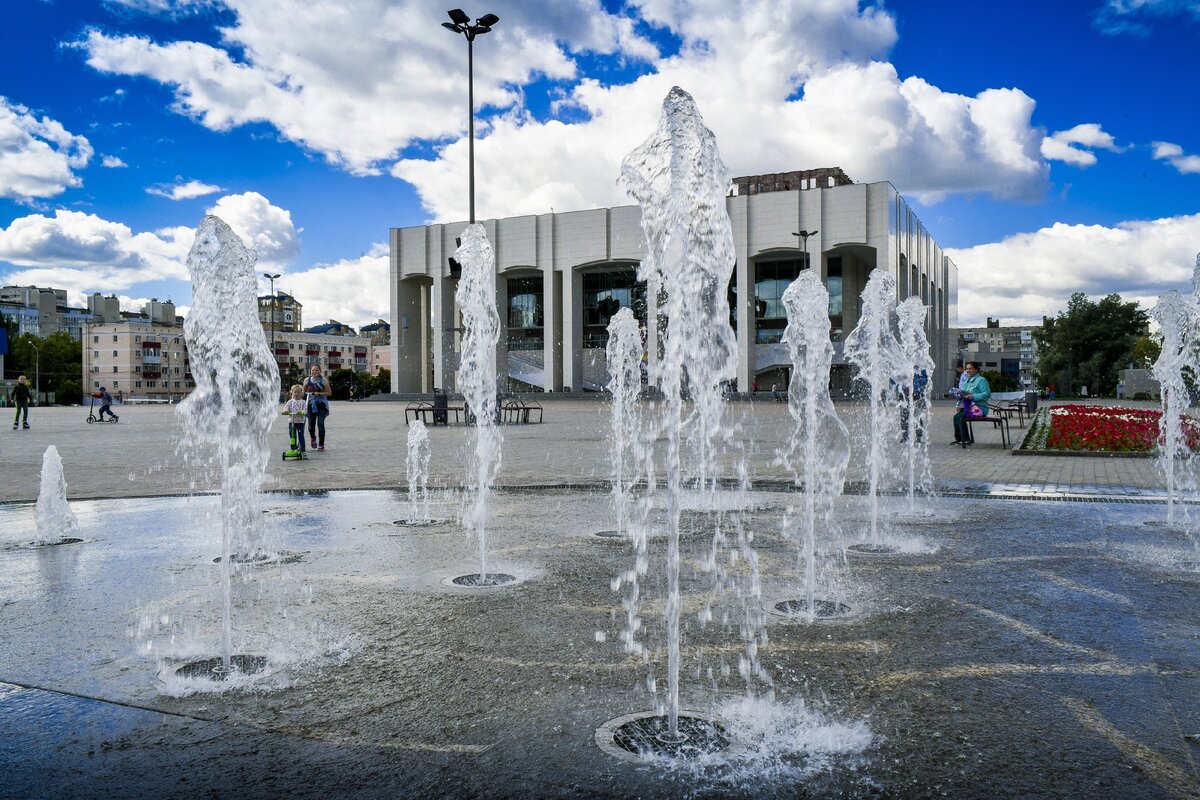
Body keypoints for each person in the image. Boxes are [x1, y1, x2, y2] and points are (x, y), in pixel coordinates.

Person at [951, 361, 991, 447]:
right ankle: (959, 439)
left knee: (960, 417)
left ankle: (965, 439)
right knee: (956, 417)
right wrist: (959, 405)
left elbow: (987, 394)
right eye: (967, 369)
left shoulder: (981, 380)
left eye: (970, 368)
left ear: (976, 370)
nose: (968, 370)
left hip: (979, 408)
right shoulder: (967, 381)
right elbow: (963, 395)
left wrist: (973, 396)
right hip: (969, 407)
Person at [303, 365, 331, 451]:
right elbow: (304, 391)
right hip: (311, 404)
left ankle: (321, 444)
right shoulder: (307, 380)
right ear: (310, 371)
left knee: (320, 424)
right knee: (311, 426)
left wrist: (318, 394)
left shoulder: (323, 381)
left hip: (321, 404)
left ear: (320, 371)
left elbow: (329, 393)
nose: (314, 372)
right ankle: (313, 438)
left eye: (316, 370)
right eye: (313, 370)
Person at [282, 384, 307, 455]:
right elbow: (286, 408)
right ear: (292, 393)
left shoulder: (303, 402)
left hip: (300, 422)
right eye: (295, 392)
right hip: (292, 422)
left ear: (302, 393)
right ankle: (293, 448)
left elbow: (305, 410)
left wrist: (302, 412)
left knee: (301, 435)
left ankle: (303, 450)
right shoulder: (290, 402)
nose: (297, 394)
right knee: (292, 435)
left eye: (299, 392)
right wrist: (285, 411)